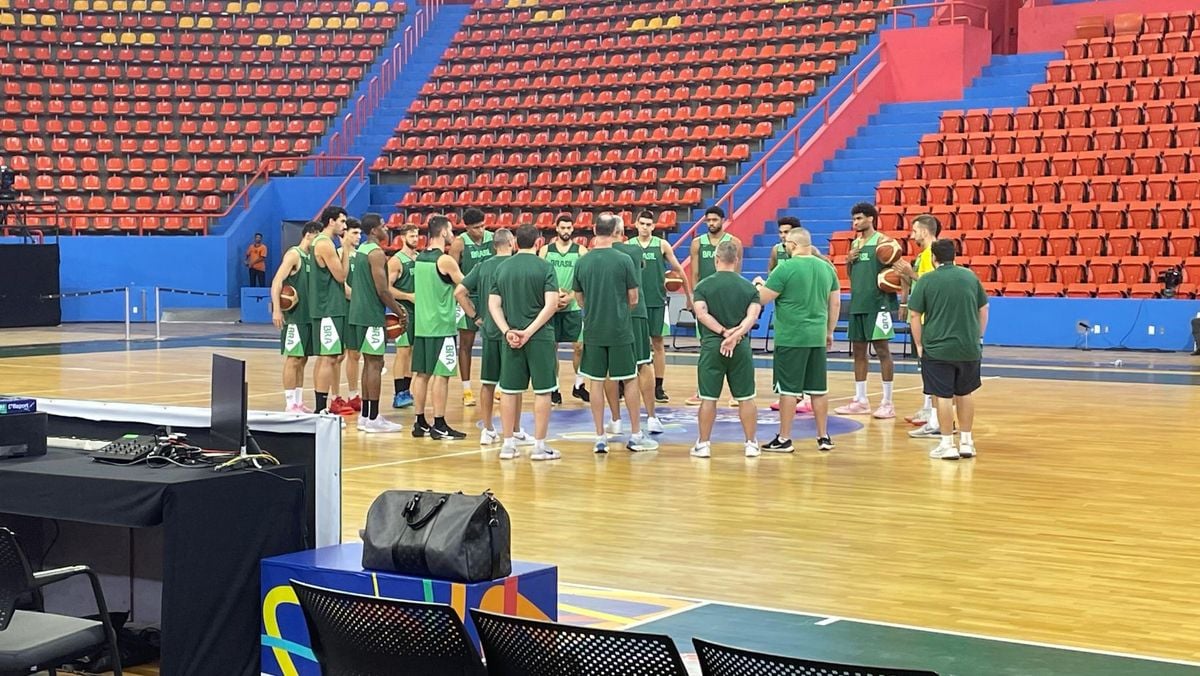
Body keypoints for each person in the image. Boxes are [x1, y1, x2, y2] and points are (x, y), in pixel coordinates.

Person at [573, 213, 659, 453]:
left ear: (593, 230)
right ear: (615, 233)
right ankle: (635, 435)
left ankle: (600, 437)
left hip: (593, 329)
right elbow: (634, 297)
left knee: (597, 383)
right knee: (629, 378)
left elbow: (579, 299)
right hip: (621, 329)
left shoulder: (583, 261)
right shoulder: (624, 260)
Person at [754, 228, 841, 453]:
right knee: (818, 389)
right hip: (817, 336)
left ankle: (784, 438)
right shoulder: (827, 268)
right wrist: (829, 331)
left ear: (792, 245)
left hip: (791, 337)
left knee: (788, 390)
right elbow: (835, 303)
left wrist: (758, 285)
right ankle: (823, 436)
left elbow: (763, 298)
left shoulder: (785, 268)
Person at [907, 239, 988, 460]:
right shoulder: (970, 277)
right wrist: (978, 336)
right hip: (968, 347)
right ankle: (967, 442)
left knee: (942, 396)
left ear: (933, 258)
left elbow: (914, 315)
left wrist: (919, 344)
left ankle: (946, 444)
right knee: (965, 393)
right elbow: (984, 307)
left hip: (938, 347)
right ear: (955, 256)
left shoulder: (927, 280)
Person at [488, 225, 562, 461]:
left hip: (511, 338)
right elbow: (551, 304)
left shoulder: (502, 267)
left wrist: (508, 330)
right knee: (543, 391)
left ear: (516, 242)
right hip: (539, 337)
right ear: (538, 242)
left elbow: (493, 305)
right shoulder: (545, 267)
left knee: (509, 390)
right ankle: (539, 446)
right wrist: (529, 332)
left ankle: (508, 444)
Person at [690, 240, 761, 458]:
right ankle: (751, 444)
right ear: (737, 260)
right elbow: (752, 316)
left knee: (708, 398)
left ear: (716, 259)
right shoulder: (749, 288)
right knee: (746, 397)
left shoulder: (703, 286)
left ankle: (703, 444)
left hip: (712, 346)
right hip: (740, 347)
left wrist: (724, 333)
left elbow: (702, 314)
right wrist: (736, 335)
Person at [834, 202, 899, 419]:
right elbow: (853, 277)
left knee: (882, 351)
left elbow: (897, 273)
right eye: (853, 219)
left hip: (878, 304)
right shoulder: (855, 244)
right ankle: (861, 400)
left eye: (859, 218)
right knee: (859, 352)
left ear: (871, 218)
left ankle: (887, 402)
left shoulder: (884, 242)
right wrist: (848, 261)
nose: (855, 223)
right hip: (858, 303)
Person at [346, 213, 408, 433]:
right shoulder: (376, 253)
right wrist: (400, 311)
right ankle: (373, 418)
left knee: (368, 363)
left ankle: (365, 415)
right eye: (383, 226)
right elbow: (382, 290)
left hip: (356, 312)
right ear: (373, 230)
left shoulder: (361, 250)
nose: (387, 228)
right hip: (371, 314)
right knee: (375, 364)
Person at [411, 215, 468, 440]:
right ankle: (440, 423)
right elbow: (464, 284)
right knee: (441, 376)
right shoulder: (444, 260)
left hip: (422, 325)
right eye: (451, 230)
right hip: (441, 326)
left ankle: (419, 421)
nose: (453, 235)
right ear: (443, 232)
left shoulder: (419, 258)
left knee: (422, 375)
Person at [632, 210, 692, 404]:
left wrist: (689, 297)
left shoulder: (661, 245)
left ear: (653, 226)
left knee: (658, 343)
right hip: (634, 302)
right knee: (632, 344)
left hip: (657, 300)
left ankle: (658, 386)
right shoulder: (628, 246)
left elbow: (679, 270)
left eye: (649, 224)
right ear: (636, 224)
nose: (645, 227)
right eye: (642, 223)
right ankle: (627, 385)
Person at [613, 216, 664, 436]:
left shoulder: (590, 255)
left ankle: (615, 420)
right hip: (635, 311)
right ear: (622, 231)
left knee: (607, 371)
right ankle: (651, 417)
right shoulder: (634, 251)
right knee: (643, 363)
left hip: (608, 314)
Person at [686, 206, 741, 406]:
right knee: (706, 345)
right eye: (708, 220)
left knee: (734, 340)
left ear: (723, 220)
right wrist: (692, 297)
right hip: (705, 299)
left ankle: (736, 392)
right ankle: (702, 390)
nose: (711, 223)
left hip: (727, 299)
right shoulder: (697, 243)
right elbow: (694, 274)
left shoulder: (734, 243)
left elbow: (737, 274)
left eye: (714, 220)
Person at [898, 214, 943, 436]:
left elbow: (929, 283)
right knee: (925, 367)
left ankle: (932, 413)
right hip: (921, 315)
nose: (912, 235)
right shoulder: (925, 253)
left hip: (927, 318)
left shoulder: (929, 254)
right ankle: (927, 408)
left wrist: (909, 272)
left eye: (914, 231)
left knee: (929, 366)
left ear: (924, 232)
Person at [270, 221, 320, 413]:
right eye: (317, 237)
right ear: (309, 235)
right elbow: (277, 281)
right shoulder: (294, 255)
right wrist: (277, 309)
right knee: (293, 359)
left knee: (303, 359)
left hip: (309, 316)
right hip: (295, 317)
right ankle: (290, 403)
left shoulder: (311, 257)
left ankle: (298, 401)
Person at [539, 213, 589, 404]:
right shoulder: (545, 251)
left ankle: (579, 385)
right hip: (551, 306)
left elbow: (585, 279)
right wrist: (553, 296)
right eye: (563, 228)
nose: (566, 231)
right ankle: (555, 388)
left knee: (579, 347)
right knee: (552, 348)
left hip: (573, 306)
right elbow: (540, 277)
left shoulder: (581, 251)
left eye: (569, 228)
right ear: (557, 228)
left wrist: (570, 297)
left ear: (572, 229)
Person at [766, 216, 813, 416]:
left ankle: (807, 396)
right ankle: (789, 394)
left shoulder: (810, 253)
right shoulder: (777, 251)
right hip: (784, 309)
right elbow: (771, 275)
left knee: (803, 355)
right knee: (783, 354)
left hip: (805, 308)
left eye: (787, 232)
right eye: (781, 232)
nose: (783, 236)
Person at [449, 207, 494, 408]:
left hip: (490, 296)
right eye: (477, 227)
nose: (481, 230)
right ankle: (466, 390)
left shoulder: (493, 239)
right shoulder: (459, 243)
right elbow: (451, 273)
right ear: (467, 228)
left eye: (484, 225)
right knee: (465, 344)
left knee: (494, 343)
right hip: (468, 296)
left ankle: (497, 386)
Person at [307, 206, 349, 415]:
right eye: (342, 221)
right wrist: (347, 251)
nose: (344, 225)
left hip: (326, 307)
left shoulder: (321, 242)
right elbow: (341, 276)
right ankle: (321, 407)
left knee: (326, 356)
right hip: (328, 308)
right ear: (331, 221)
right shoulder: (324, 244)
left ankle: (319, 405)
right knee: (329, 357)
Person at [387, 224, 419, 408]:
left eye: (417, 236)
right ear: (402, 238)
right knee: (403, 352)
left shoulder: (419, 258)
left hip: (419, 311)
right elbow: (388, 288)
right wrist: (408, 296)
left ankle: (407, 390)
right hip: (403, 312)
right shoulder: (396, 261)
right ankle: (398, 392)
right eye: (412, 236)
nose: (415, 239)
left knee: (413, 353)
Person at [339, 218, 364, 415]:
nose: (358, 236)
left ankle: (353, 394)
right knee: (337, 356)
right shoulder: (339, 254)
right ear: (345, 234)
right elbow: (341, 284)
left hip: (357, 309)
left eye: (359, 233)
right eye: (354, 233)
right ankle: (334, 396)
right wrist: (355, 297)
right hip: (342, 309)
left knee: (355, 354)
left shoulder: (361, 255)